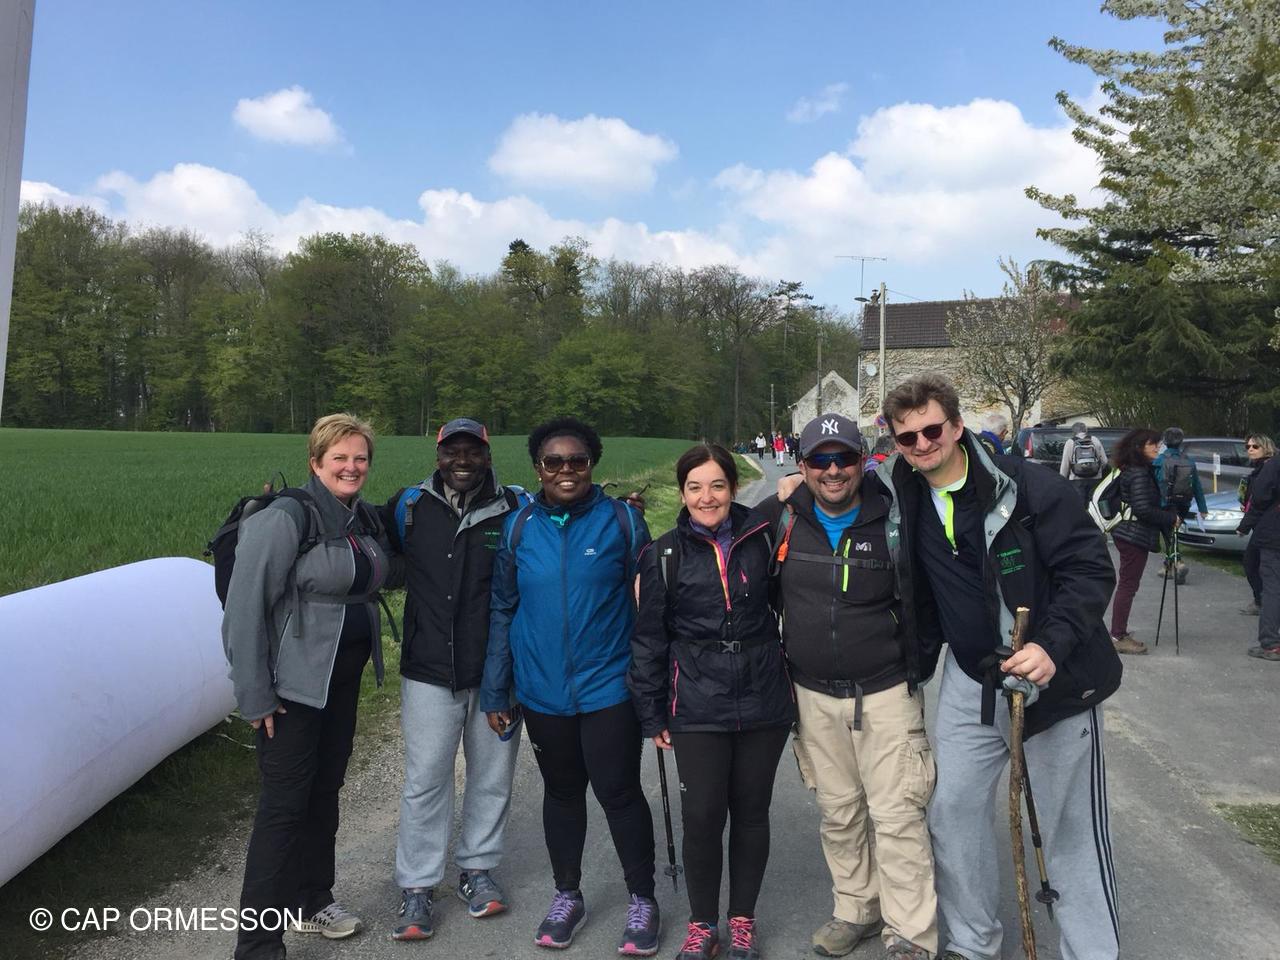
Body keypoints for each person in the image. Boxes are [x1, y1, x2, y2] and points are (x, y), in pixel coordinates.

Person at [876, 374, 1122, 960]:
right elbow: (830, 483)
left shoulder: (1033, 489)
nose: (922, 444)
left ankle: (1091, 952)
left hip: (1054, 683)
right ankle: (972, 942)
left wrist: (1051, 645)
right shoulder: (901, 491)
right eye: (907, 437)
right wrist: (792, 492)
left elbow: (1090, 571)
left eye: (932, 430)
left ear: (957, 426)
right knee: (952, 813)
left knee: (1070, 831)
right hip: (972, 681)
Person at [761, 413, 941, 960]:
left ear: (864, 461)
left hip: (885, 693)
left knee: (897, 815)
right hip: (812, 695)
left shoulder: (897, 516)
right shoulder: (780, 518)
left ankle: (909, 932)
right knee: (839, 813)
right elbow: (720, 548)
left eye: (844, 457)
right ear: (802, 466)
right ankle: (856, 909)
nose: (833, 470)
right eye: (820, 459)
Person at [222, 414, 399, 960]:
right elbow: (243, 610)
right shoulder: (286, 517)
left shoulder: (360, 517)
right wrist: (254, 694)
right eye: (339, 458)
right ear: (316, 462)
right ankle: (257, 944)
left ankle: (312, 899)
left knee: (324, 791)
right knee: (284, 808)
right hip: (290, 691)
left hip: (339, 684)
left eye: (360, 458)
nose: (351, 467)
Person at [481, 416, 660, 954]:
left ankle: (643, 899)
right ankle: (567, 895)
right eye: (553, 461)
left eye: (577, 460)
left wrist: (652, 683)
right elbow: (503, 608)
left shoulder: (623, 521)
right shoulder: (518, 527)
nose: (566, 470)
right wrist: (497, 688)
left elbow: (651, 609)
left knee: (619, 792)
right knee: (561, 793)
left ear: (592, 464)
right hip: (542, 690)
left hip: (610, 687)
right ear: (537, 468)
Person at [629, 443, 795, 960]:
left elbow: (787, 601)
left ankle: (741, 920)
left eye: (717, 486)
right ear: (682, 493)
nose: (707, 497)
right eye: (695, 487)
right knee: (702, 815)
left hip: (762, 694)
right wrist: (652, 710)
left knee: (751, 811)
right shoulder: (663, 554)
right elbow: (649, 638)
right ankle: (703, 925)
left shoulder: (762, 536)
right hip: (696, 698)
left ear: (733, 487)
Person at [379, 418, 531, 941]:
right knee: (425, 780)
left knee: (491, 777)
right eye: (452, 451)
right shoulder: (410, 506)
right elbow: (359, 531)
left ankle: (476, 870)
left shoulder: (515, 507)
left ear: (487, 455)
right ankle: (417, 886)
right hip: (428, 669)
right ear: (438, 455)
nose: (461, 460)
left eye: (472, 451)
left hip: (497, 672)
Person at [1107, 429, 1179, 656]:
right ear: (1138, 447)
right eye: (1152, 444)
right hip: (1133, 534)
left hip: (1130, 533)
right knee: (1128, 585)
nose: (1158, 447)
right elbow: (1143, 509)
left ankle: (1119, 632)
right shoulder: (1138, 473)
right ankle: (1118, 635)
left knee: (1128, 584)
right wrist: (1170, 518)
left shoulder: (1134, 469)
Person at [1238, 442, 1280, 661]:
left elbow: (1260, 497)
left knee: (1272, 588)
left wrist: (1245, 525)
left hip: (1274, 533)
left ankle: (1271, 643)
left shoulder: (1274, 465)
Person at [1152, 426, 1208, 584]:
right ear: (1181, 442)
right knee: (1173, 533)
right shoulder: (1189, 461)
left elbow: (1153, 484)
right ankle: (1168, 566)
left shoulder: (1158, 461)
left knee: (1168, 534)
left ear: (1165, 441)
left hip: (1165, 503)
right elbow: (1196, 485)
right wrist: (1203, 508)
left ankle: (1178, 563)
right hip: (1183, 503)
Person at [1239, 434, 1274, 616]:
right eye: (1248, 447)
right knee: (1256, 563)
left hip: (1267, 525)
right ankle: (1262, 600)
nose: (1250, 450)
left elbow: (1261, 501)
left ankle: (1263, 601)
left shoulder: (1268, 469)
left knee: (1251, 562)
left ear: (1265, 447)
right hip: (1260, 524)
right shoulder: (1257, 469)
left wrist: (1244, 525)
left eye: (1255, 446)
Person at [1059, 421, 1106, 503]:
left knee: (1080, 504)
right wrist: (1098, 471)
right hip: (1095, 478)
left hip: (1077, 479)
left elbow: (1065, 464)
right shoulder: (1094, 439)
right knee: (1094, 503)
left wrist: (1062, 479)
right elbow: (1104, 461)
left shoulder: (1070, 442)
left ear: (1073, 431)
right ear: (1086, 430)